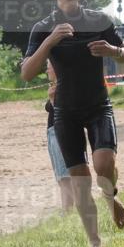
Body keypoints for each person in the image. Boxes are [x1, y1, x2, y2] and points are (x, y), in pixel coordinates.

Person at [21, 0, 124, 247]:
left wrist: (112, 50)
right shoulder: (43, 27)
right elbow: (26, 72)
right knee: (81, 181)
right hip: (64, 113)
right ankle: (95, 242)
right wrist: (49, 43)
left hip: (98, 106)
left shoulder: (99, 21)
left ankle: (110, 196)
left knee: (104, 164)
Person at [45, 62, 74, 212]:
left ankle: (68, 212)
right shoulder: (57, 86)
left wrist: (52, 101)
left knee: (65, 176)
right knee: (61, 176)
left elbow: (63, 113)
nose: (46, 69)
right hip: (53, 132)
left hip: (59, 132)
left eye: (49, 65)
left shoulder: (63, 88)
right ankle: (67, 210)